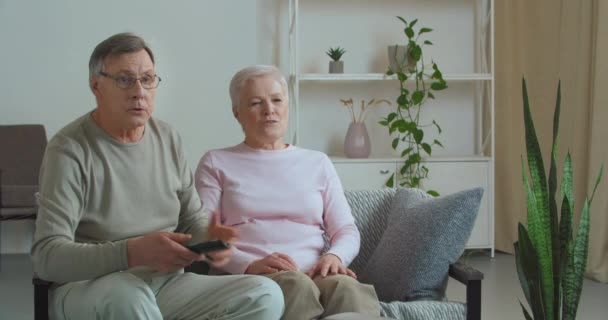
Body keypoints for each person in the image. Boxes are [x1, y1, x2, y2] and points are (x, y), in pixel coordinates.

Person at [31, 33, 284, 320]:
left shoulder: (168, 137)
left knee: (265, 294)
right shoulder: (69, 149)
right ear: (96, 85)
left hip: (167, 284)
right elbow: (47, 257)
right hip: (91, 287)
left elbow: (192, 219)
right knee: (127, 296)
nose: (139, 91)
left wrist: (211, 242)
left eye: (148, 79)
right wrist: (132, 253)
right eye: (125, 79)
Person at [195, 65, 381, 319]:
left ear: (287, 106)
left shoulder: (318, 162)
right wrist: (249, 264)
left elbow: (346, 229)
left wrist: (335, 256)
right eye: (256, 103)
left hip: (314, 272)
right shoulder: (216, 162)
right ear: (237, 113)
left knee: (348, 288)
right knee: (296, 286)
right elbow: (203, 234)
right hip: (251, 277)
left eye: (276, 100)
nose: (269, 109)